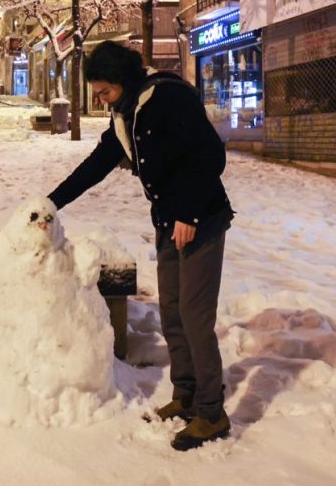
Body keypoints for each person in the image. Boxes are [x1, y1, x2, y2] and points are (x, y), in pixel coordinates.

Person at [46, 41, 234, 451]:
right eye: (96, 91)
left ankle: (211, 412)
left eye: (104, 90)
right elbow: (96, 164)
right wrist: (51, 202)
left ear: (124, 81)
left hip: (200, 219)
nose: (99, 98)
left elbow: (209, 157)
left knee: (194, 315)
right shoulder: (125, 115)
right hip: (170, 222)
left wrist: (190, 214)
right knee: (172, 312)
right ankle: (185, 395)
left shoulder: (168, 97)